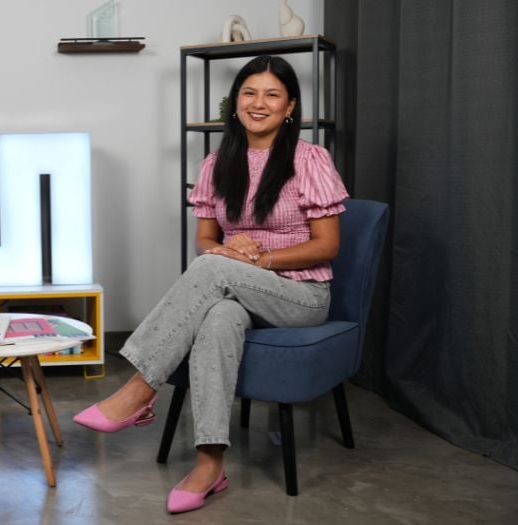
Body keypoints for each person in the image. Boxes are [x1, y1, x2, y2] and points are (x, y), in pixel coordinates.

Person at [73, 55, 348, 514]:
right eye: (249, 92)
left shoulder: (309, 159)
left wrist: (260, 258)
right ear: (235, 101)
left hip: (300, 295)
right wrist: (226, 249)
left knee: (212, 270)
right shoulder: (217, 163)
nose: (258, 103)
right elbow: (205, 241)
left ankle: (141, 388)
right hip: (237, 289)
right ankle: (209, 464)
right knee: (218, 316)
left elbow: (328, 246)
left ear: (290, 107)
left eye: (272, 95)